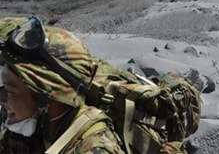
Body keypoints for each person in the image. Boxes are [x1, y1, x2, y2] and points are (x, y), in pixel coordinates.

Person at [0, 16, 125, 153]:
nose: (1, 98)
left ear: (47, 96)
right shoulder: (38, 127)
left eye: (9, 90)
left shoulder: (92, 148)